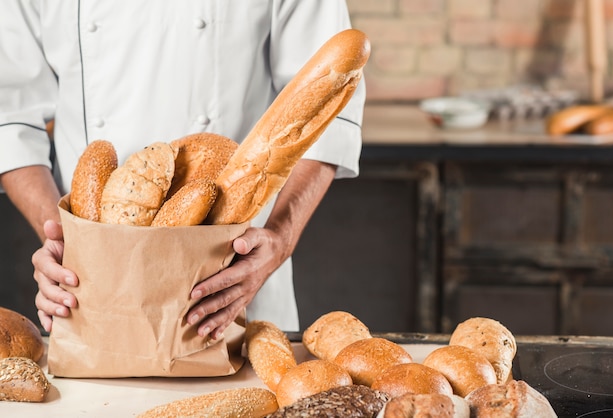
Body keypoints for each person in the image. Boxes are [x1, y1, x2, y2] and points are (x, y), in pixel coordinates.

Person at [0, 1, 365, 340]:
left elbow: (325, 114)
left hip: (233, 282)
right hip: (90, 288)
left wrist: (279, 241)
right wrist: (67, 248)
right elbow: (10, 116)